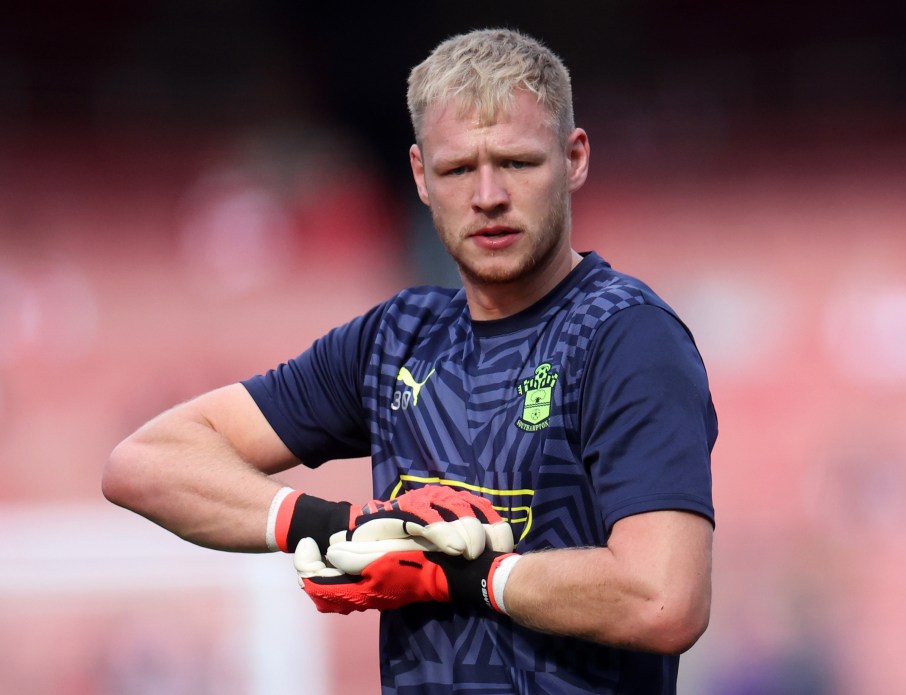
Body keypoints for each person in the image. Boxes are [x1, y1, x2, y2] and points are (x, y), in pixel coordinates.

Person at [102, 27, 717, 695]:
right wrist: (342, 527)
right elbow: (143, 463)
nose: (487, 195)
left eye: (516, 162)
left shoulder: (626, 336)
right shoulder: (394, 338)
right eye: (458, 169)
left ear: (573, 158)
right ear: (422, 176)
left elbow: (665, 600)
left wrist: (456, 572)